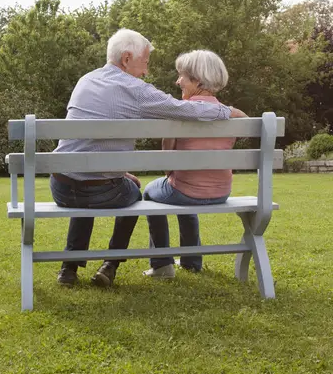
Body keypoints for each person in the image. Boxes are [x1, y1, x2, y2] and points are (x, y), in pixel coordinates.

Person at [50, 30, 246, 288]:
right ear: (127, 58)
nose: (146, 72)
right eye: (145, 62)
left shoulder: (85, 80)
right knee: (131, 193)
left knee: (86, 178)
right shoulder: (136, 89)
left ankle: (69, 269)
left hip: (61, 187)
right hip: (104, 191)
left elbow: (87, 147)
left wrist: (117, 173)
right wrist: (227, 111)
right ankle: (110, 265)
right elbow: (181, 109)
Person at [143, 49, 238, 279]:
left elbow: (168, 161)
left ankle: (162, 264)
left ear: (197, 80)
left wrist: (172, 175)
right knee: (184, 193)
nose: (178, 81)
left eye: (182, 76)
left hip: (185, 189)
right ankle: (192, 261)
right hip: (221, 192)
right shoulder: (233, 116)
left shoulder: (178, 113)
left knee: (149, 192)